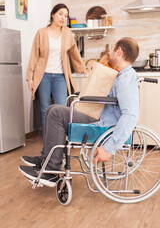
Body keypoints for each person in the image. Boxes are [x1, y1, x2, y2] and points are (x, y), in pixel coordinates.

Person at [19, 37, 140, 187]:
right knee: (52, 109)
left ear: (119, 51)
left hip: (104, 126)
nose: (109, 52)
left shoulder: (127, 77)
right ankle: (46, 160)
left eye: (112, 48)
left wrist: (109, 148)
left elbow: (131, 115)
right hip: (100, 118)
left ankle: (51, 170)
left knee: (56, 112)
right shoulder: (121, 74)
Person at [26, 3, 87, 137]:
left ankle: (59, 140)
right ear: (53, 14)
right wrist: (30, 77)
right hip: (43, 76)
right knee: (45, 110)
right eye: (60, 14)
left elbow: (74, 52)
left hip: (60, 76)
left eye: (65, 16)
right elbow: (34, 56)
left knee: (61, 109)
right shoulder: (41, 33)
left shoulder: (67, 33)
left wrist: (83, 68)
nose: (63, 18)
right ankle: (48, 140)